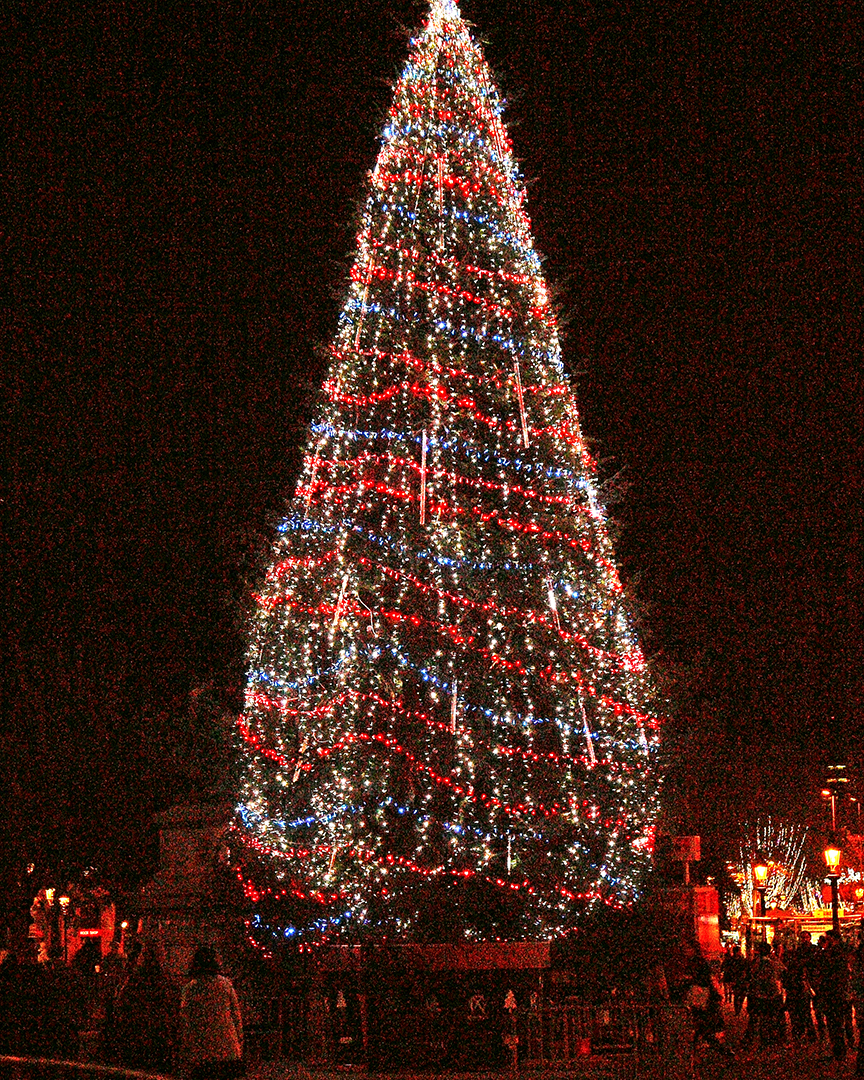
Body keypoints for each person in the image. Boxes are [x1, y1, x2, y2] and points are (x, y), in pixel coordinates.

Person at [180, 945, 244, 1079]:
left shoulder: (191, 988)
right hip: (228, 1048)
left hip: (202, 1051)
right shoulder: (225, 984)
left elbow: (186, 1020)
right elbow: (236, 1016)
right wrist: (239, 1041)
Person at [113, 940, 175, 1070]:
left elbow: (122, 1003)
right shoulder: (166, 981)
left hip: (137, 1034)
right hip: (159, 1035)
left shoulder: (135, 980)